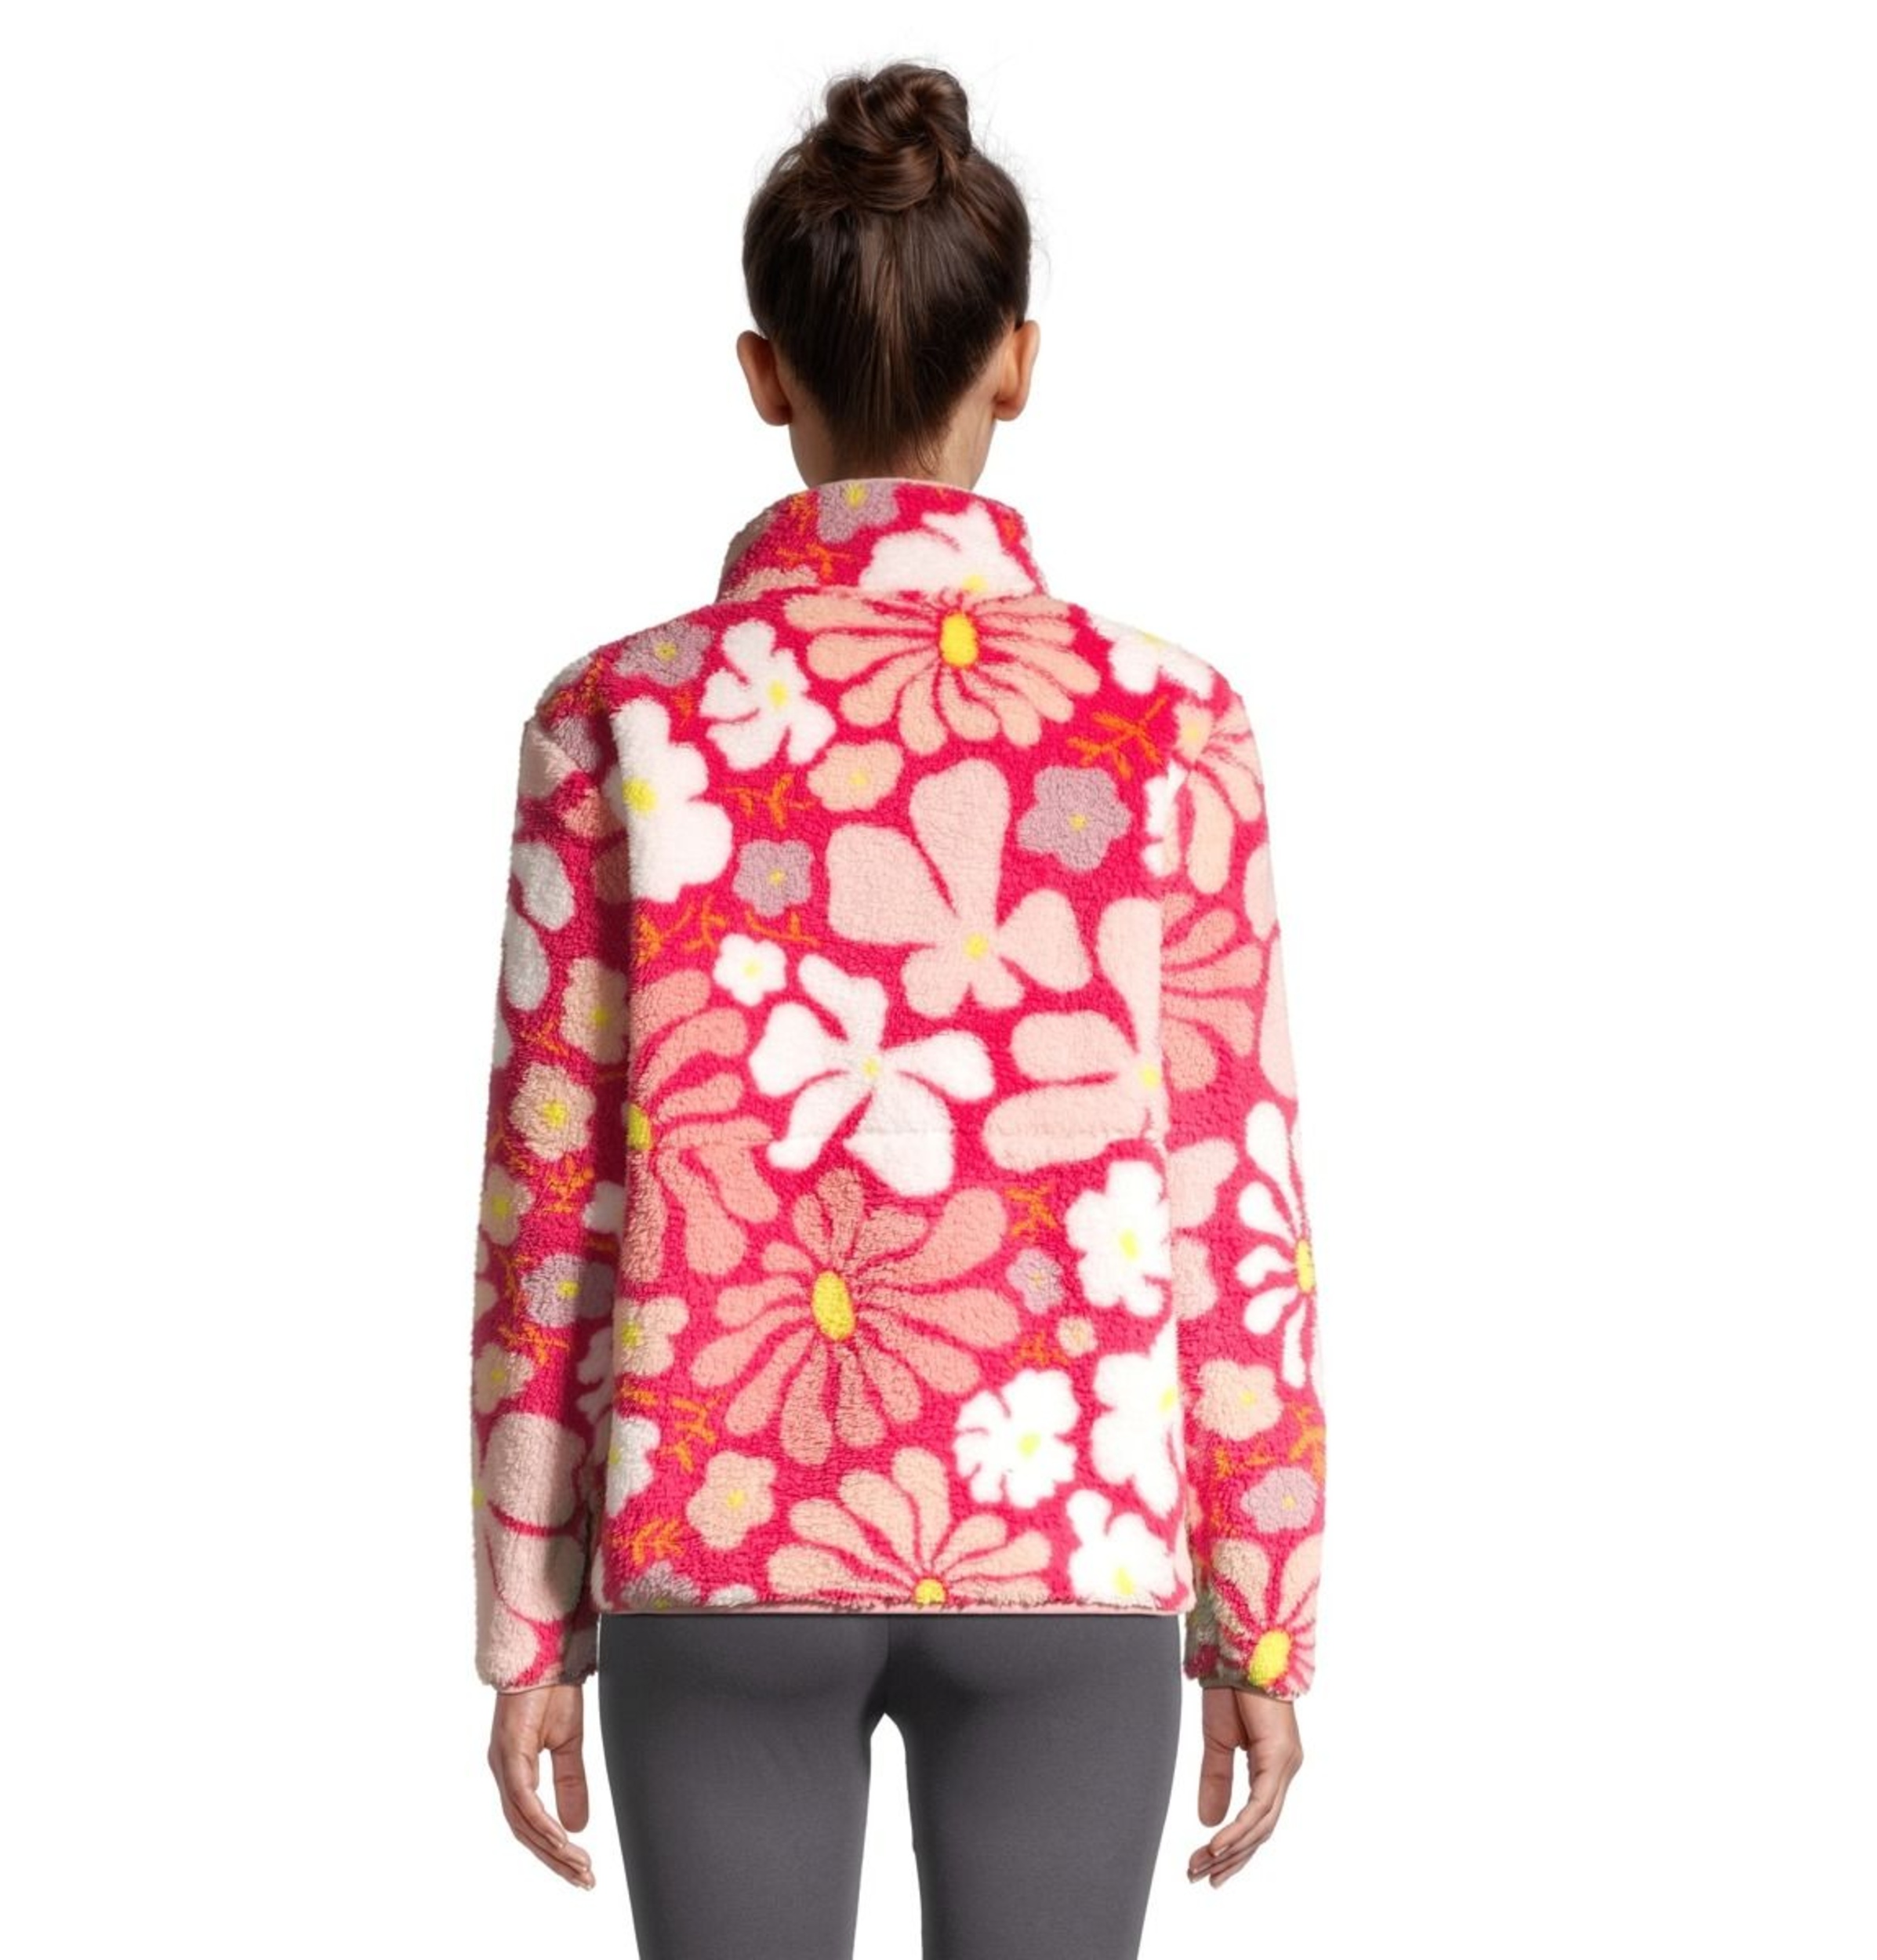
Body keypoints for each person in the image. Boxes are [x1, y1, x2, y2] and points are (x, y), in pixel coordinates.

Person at [469, 59, 1327, 1960]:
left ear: (760, 373)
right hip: (1067, 1531)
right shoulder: (1170, 722)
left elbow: (551, 1201)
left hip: (716, 1533)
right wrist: (1258, 1617)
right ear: (1016, 364)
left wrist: (528, 1621)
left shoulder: (615, 717)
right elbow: (1230, 1194)